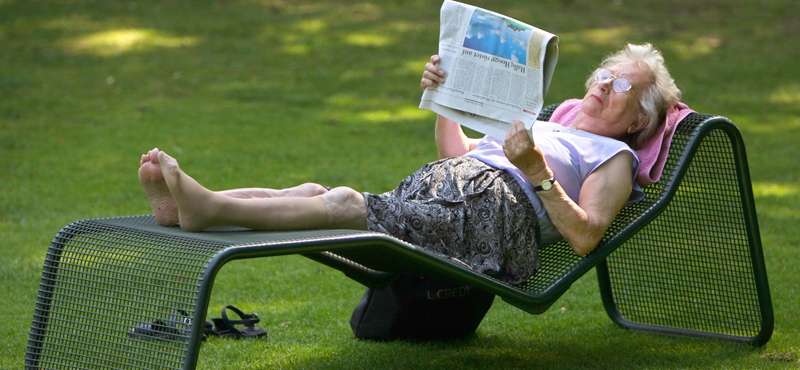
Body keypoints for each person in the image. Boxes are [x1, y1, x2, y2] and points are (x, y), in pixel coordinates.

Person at [138, 43, 681, 284]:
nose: (606, 86)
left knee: (347, 203)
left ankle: (206, 209)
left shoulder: (614, 158)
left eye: (623, 85)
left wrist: (536, 170)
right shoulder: (552, 122)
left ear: (637, 120)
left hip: (496, 222)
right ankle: (182, 207)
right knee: (312, 189)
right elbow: (456, 152)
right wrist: (445, 102)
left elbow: (586, 237)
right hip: (454, 189)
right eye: (604, 76)